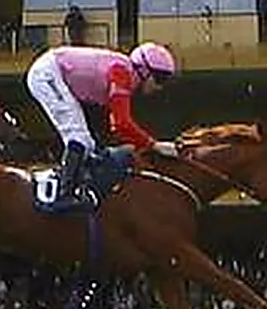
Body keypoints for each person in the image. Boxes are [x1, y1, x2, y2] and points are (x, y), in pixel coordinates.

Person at [25, 41, 179, 209]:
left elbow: (114, 124)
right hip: (48, 74)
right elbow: (121, 123)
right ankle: (64, 193)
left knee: (88, 144)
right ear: (144, 70)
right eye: (160, 79)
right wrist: (154, 145)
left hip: (54, 72)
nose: (160, 87)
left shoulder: (125, 72)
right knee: (79, 139)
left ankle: (76, 183)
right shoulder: (122, 73)